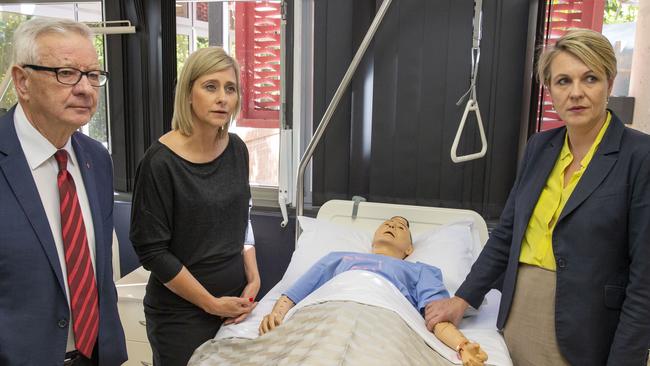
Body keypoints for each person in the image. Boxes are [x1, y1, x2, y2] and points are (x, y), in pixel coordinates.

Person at [425, 29, 650, 365]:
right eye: (562, 81)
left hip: (589, 329)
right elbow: (507, 235)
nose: (576, 93)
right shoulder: (540, 147)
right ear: (549, 90)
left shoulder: (639, 156)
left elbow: (645, 278)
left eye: (589, 78)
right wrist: (462, 299)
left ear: (609, 81)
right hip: (518, 314)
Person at [0, 18, 127, 365]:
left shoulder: (97, 160)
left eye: (92, 75)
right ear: (22, 81)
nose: (86, 88)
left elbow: (98, 273)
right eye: (67, 73)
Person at [129, 46, 260, 366]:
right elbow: (153, 252)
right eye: (210, 86)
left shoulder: (238, 151)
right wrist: (211, 304)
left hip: (235, 305)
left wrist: (253, 279)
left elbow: (240, 218)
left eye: (230, 89)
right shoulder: (160, 163)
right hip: (181, 315)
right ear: (188, 93)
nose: (222, 98)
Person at [259, 216, 488, 366]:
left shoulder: (421, 271)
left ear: (409, 249)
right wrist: (276, 314)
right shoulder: (338, 258)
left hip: (386, 318)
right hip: (332, 310)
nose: (392, 226)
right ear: (373, 239)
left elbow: (438, 317)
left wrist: (463, 346)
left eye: (400, 228)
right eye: (388, 224)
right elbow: (295, 292)